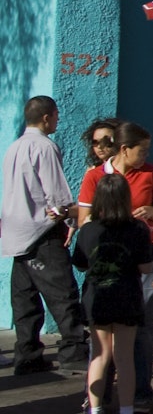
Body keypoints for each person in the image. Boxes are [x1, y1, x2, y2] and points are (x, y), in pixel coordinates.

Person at [76, 121, 153, 408]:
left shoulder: (150, 173)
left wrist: (152, 212)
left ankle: (137, 396)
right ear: (124, 149)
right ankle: (104, 400)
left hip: (141, 255)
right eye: (141, 151)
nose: (145, 156)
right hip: (117, 262)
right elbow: (83, 220)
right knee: (107, 346)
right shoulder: (96, 176)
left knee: (141, 335)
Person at [4, 96, 88, 375]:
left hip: (17, 234)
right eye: (56, 115)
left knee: (25, 299)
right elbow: (56, 192)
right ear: (46, 118)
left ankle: (27, 354)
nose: (57, 120)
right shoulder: (44, 147)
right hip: (42, 232)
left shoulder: (14, 147)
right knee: (63, 294)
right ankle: (73, 351)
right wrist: (66, 212)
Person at [71, 173, 153, 414]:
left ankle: (96, 409)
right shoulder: (138, 229)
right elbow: (146, 267)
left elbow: (80, 264)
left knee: (99, 355)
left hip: (97, 298)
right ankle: (127, 409)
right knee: (124, 357)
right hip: (127, 297)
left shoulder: (88, 230)